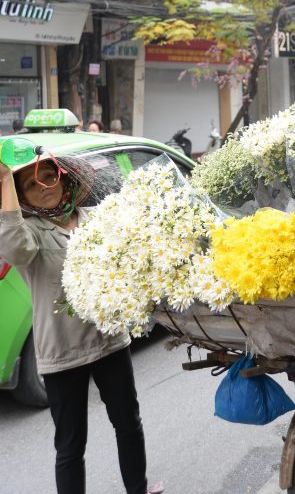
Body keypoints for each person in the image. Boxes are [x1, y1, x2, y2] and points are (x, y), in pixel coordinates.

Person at [0, 155, 163, 494]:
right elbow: (14, 247)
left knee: (128, 424)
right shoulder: (28, 234)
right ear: (22, 197)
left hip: (109, 341)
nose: (43, 187)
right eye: (30, 184)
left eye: (49, 176)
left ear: (64, 179)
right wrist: (4, 182)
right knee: (71, 445)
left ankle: (139, 488)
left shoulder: (96, 219)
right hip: (63, 353)